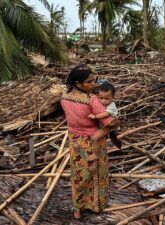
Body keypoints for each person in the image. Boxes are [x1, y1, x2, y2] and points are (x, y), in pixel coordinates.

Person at [60, 64, 119, 219]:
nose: (93, 85)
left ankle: (77, 207)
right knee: (97, 173)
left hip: (75, 142)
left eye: (94, 80)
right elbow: (110, 122)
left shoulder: (64, 97)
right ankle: (96, 205)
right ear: (78, 84)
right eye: (89, 82)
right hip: (94, 142)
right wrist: (114, 123)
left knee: (79, 174)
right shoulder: (91, 100)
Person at [88, 82, 122, 149]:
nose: (103, 101)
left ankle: (96, 153)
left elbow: (106, 114)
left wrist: (95, 116)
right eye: (101, 98)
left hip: (109, 126)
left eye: (107, 99)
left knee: (94, 138)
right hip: (103, 125)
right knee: (108, 137)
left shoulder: (111, 105)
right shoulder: (99, 102)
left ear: (113, 97)